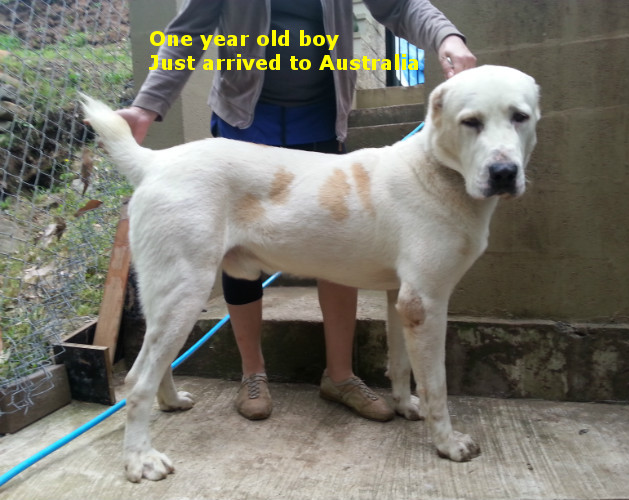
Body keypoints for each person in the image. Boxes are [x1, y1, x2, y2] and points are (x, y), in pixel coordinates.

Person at [117, 0, 476, 423]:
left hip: (320, 114)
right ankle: (253, 373)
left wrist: (446, 36)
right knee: (236, 251)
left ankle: (340, 375)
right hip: (246, 115)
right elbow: (187, 31)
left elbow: (399, 5)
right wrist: (147, 104)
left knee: (340, 240)